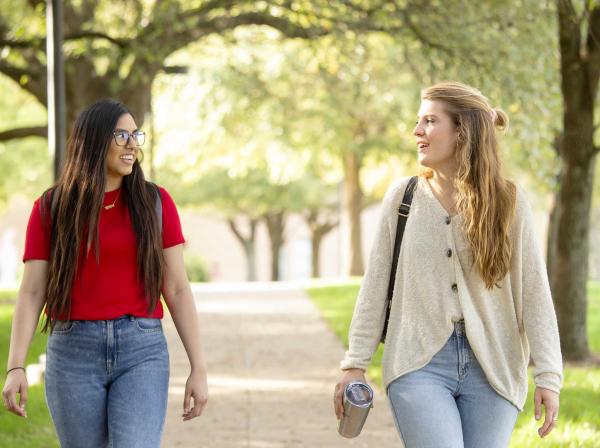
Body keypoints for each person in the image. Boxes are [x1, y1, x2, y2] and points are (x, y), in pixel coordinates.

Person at [333, 82, 562, 447]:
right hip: (418, 363)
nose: (417, 131)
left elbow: (534, 292)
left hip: (495, 367)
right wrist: (354, 363)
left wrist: (549, 376)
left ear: (462, 130)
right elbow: (375, 286)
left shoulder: (510, 203)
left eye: (429, 121)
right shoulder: (403, 198)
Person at [2, 99, 208, 447]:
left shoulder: (155, 203)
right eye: (122, 135)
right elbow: (32, 291)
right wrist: (15, 366)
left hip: (141, 350)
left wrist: (198, 368)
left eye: (135, 135)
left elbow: (176, 288)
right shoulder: (51, 208)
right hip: (72, 352)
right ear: (95, 140)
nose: (133, 144)